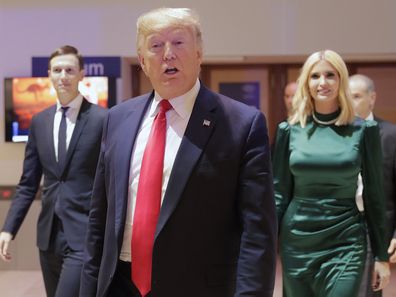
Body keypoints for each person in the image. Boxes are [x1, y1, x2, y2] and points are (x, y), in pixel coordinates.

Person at [79, 7, 277, 297]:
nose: (168, 54)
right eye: (156, 45)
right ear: (143, 62)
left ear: (199, 53)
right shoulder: (117, 119)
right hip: (120, 284)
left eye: (179, 42)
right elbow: (100, 217)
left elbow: (257, 231)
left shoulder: (241, 124)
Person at [272, 49, 390, 297]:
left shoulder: (364, 130)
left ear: (341, 81)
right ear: (307, 82)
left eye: (330, 75)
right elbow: (279, 194)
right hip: (297, 241)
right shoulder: (288, 130)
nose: (322, 82)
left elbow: (375, 195)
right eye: (315, 76)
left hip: (345, 240)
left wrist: (381, 255)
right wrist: (265, 245)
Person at [0, 45, 107, 297]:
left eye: (70, 70)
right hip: (48, 237)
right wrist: (8, 229)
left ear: (81, 74)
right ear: (49, 74)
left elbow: (112, 178)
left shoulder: (103, 119)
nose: (63, 76)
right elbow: (28, 183)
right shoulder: (39, 121)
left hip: (84, 233)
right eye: (57, 70)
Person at [349, 74, 396, 297]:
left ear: (372, 98)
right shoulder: (337, 135)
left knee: (366, 292)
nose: (351, 102)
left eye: (356, 96)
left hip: (374, 228)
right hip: (339, 225)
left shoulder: (391, 135)